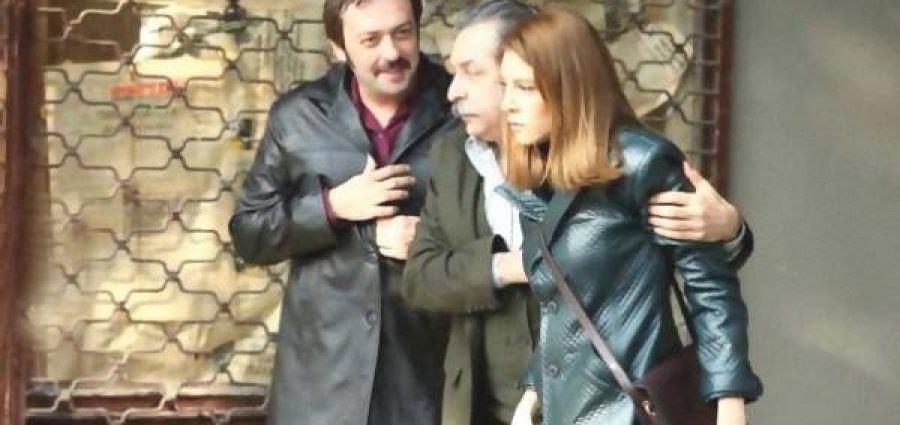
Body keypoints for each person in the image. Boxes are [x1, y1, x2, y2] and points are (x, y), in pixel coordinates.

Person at [402, 2, 757, 425]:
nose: (509, 103)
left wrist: (729, 403)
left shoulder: (641, 162)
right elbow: (563, 308)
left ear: (567, 86)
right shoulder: (538, 177)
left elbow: (710, 289)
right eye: (507, 86)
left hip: (631, 409)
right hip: (561, 410)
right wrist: (532, 397)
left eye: (524, 88)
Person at [228, 0, 457, 423]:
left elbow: (512, 233)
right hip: (320, 386)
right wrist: (333, 207)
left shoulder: (460, 109)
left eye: (402, 32)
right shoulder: (297, 116)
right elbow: (249, 234)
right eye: (370, 40)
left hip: (428, 378)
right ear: (338, 47)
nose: (391, 52)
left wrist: (433, 244)